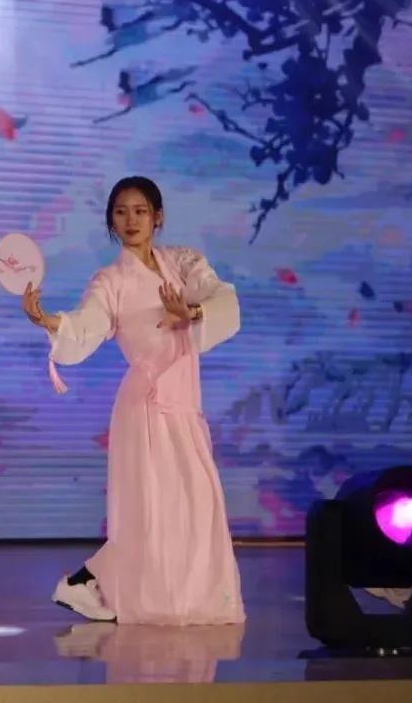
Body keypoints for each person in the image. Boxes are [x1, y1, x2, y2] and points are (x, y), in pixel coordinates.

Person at [22, 176, 244, 625]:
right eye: (121, 212)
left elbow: (222, 299)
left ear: (157, 217)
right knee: (152, 512)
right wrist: (47, 319)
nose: (131, 220)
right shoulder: (111, 280)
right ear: (111, 221)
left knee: (197, 504)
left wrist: (191, 313)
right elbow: (87, 323)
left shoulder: (182, 263)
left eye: (140, 211)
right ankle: (93, 583)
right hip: (146, 405)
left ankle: (120, 588)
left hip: (183, 402)